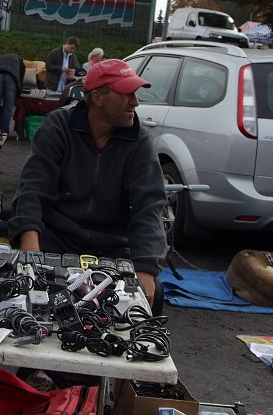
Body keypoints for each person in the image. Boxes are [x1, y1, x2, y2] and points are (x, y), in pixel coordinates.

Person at [9, 59, 168, 315]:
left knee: (152, 294)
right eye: (127, 94)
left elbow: (149, 207)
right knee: (28, 295)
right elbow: (32, 189)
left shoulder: (140, 142)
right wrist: (30, 251)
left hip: (113, 247)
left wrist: (146, 268)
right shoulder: (58, 126)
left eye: (135, 94)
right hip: (56, 239)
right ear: (97, 98)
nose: (135, 102)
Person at [0, 53, 25, 134]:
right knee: (8, 107)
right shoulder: (20, 60)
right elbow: (21, 76)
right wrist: (19, 91)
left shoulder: (1, 58)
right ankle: (4, 132)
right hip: (12, 79)